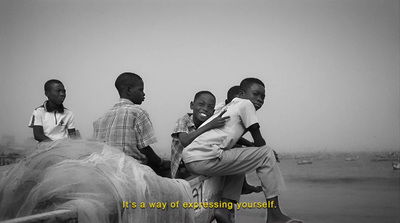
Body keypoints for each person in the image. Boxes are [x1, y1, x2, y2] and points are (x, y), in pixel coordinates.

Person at [182, 78, 302, 223]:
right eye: (256, 94)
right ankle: (275, 215)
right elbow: (259, 140)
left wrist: (255, 150)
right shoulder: (245, 104)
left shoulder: (228, 106)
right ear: (241, 94)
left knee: (240, 159)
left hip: (192, 159)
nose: (260, 99)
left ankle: (225, 209)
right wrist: (267, 153)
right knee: (266, 154)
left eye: (263, 97)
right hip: (204, 158)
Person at [92, 72, 170, 175]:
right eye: (141, 90)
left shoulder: (100, 119)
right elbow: (144, 149)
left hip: (108, 171)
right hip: (132, 171)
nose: (144, 94)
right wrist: (161, 162)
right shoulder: (138, 113)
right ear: (128, 90)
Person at [170, 90, 229, 179]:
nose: (205, 109)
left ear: (213, 111)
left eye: (210, 107)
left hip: (200, 166)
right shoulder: (183, 121)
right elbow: (185, 141)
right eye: (201, 104)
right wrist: (210, 125)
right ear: (192, 105)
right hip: (181, 172)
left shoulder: (209, 123)